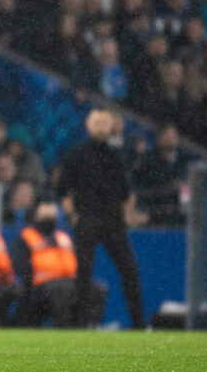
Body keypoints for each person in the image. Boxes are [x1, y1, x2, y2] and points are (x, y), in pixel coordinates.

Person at [58, 108, 145, 328]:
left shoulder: (117, 155)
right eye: (96, 121)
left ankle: (138, 323)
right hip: (87, 218)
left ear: (111, 125)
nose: (100, 126)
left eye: (105, 122)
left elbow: (127, 192)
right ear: (88, 124)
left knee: (129, 269)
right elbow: (62, 189)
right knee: (83, 273)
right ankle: (79, 324)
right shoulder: (76, 154)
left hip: (113, 219)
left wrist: (126, 216)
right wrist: (74, 216)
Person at [11, 200, 106, 327]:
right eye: (45, 207)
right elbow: (20, 265)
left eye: (52, 208)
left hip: (69, 281)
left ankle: (90, 327)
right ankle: (65, 329)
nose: (50, 211)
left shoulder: (63, 237)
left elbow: (78, 261)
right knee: (61, 291)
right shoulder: (26, 237)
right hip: (41, 286)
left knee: (97, 289)